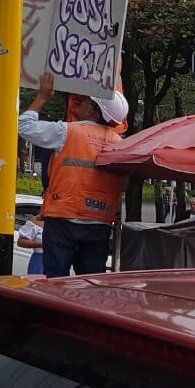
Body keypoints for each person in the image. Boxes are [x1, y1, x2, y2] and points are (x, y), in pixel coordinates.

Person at [19, 72, 128, 278]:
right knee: (90, 285)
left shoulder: (67, 131)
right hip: (99, 225)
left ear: (92, 109)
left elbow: (24, 126)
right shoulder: (120, 144)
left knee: (56, 283)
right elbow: (123, 185)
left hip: (63, 221)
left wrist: (42, 97)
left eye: (86, 100)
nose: (81, 102)